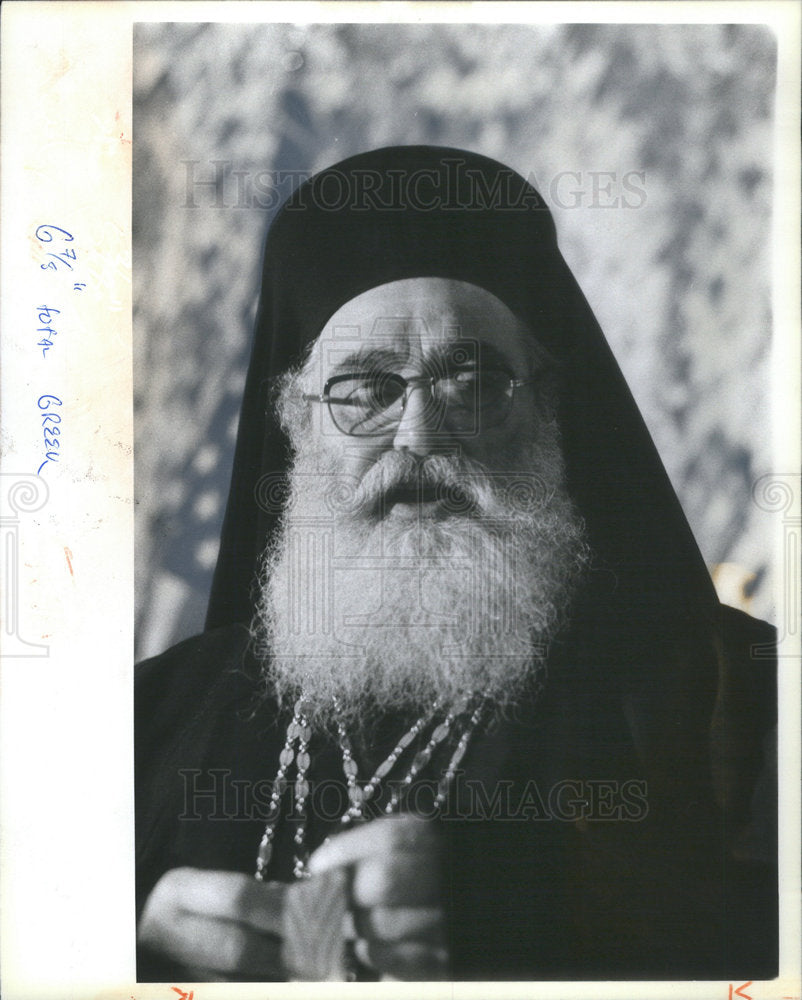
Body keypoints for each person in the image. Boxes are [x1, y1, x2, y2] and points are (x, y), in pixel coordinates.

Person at [135, 146, 777, 982]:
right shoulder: (151, 717)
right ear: (296, 423)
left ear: (548, 406)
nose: (420, 436)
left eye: (471, 381)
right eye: (365, 391)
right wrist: (126, 949)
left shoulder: (737, 695)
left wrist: (521, 906)